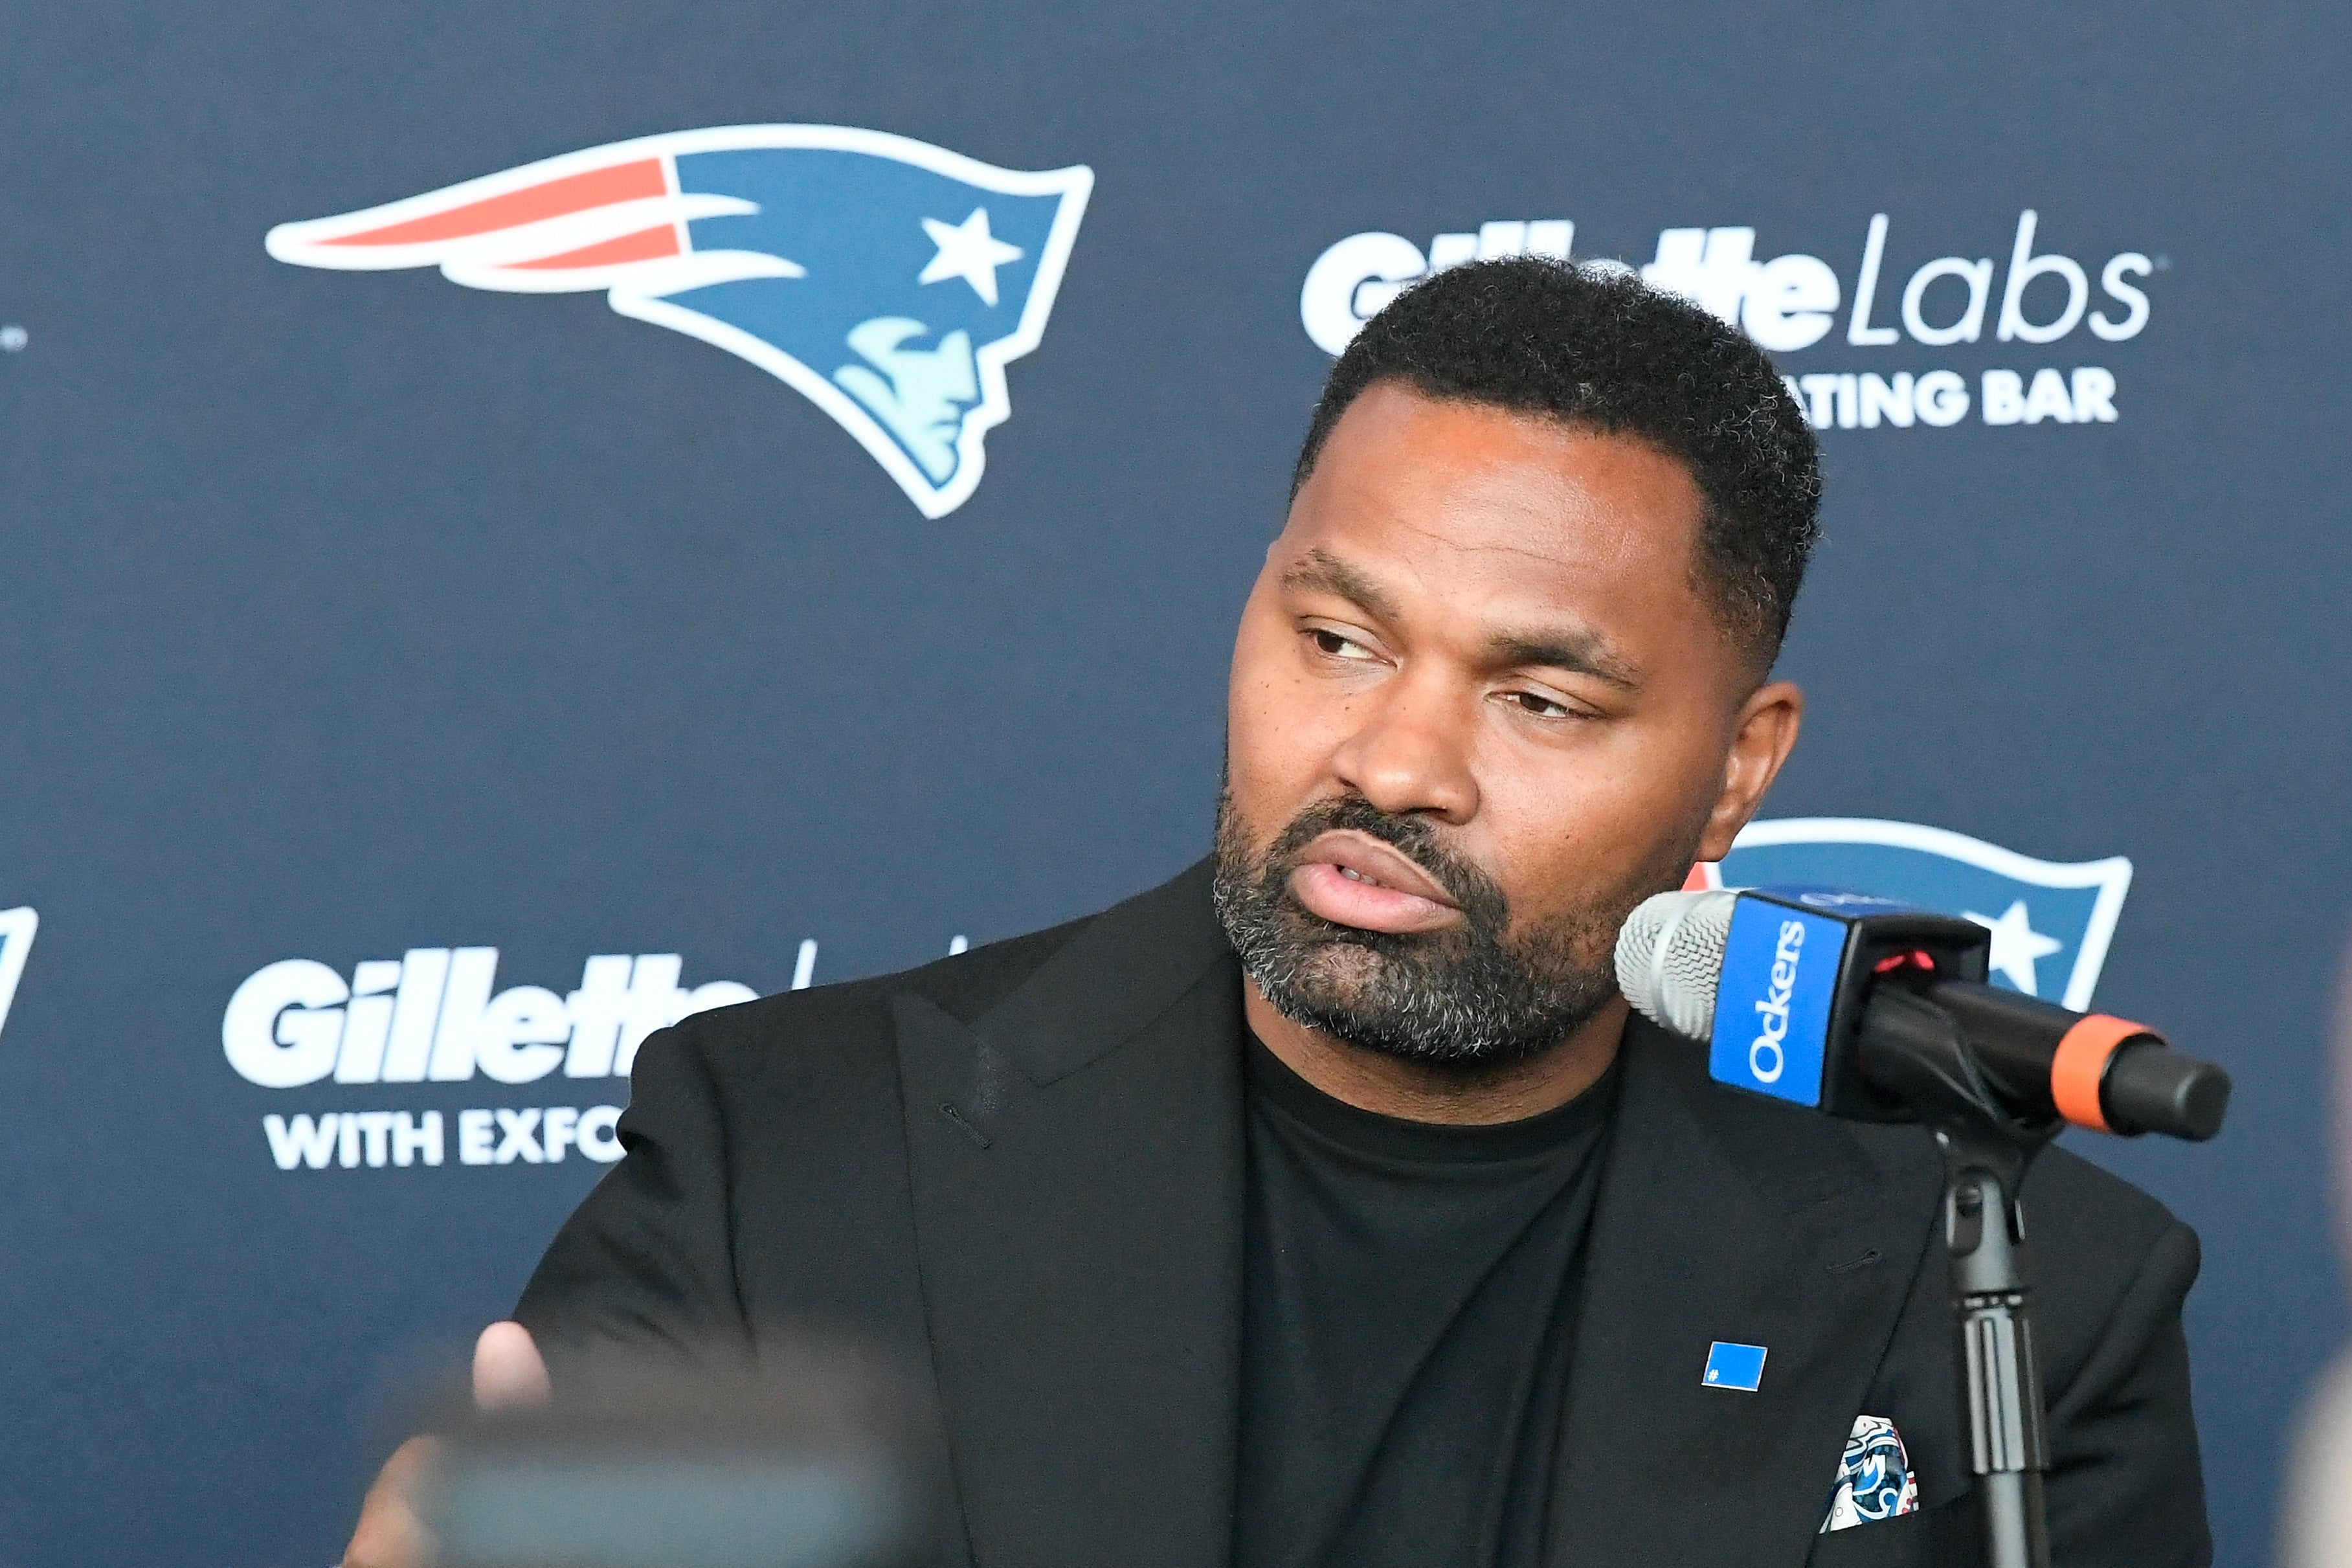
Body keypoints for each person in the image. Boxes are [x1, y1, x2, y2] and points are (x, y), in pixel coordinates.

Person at [345, 258, 2208, 1568]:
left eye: (1537, 698)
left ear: (1737, 767)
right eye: (1335, 639)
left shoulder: (2017, 1289)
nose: (1392, 762)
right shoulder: (793, 1160)